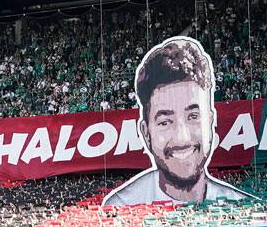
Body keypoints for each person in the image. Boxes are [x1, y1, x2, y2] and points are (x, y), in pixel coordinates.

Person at [102, 36, 254, 205]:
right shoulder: (119, 208)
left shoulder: (243, 205)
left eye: (193, 116)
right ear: (146, 133)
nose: (182, 138)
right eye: (165, 122)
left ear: (211, 121)